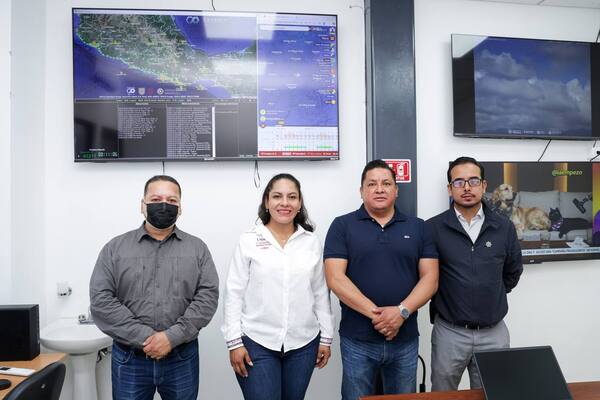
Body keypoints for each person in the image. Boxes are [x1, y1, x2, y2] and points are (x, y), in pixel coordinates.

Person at [90, 175, 219, 400]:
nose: (164, 205)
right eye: (156, 199)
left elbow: (207, 297)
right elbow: (101, 300)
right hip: (130, 358)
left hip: (181, 357)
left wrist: (171, 337)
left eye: (172, 200)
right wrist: (147, 338)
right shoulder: (115, 249)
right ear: (142, 205)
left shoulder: (198, 249)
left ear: (180, 208)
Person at [324, 160, 439, 399]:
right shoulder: (342, 225)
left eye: (386, 183)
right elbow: (335, 278)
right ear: (361, 191)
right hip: (357, 341)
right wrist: (381, 317)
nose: (379, 189)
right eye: (372, 184)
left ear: (396, 190)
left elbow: (430, 278)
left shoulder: (418, 227)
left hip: (405, 340)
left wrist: (401, 313)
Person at [222, 173, 335, 400]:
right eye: (277, 196)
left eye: (292, 197)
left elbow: (320, 292)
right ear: (267, 201)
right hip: (257, 341)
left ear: (300, 203)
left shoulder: (311, 242)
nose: (285, 203)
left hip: (303, 343)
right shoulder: (249, 240)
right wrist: (234, 342)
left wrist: (326, 337)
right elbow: (234, 293)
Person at [426, 156, 523, 391]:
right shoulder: (432, 228)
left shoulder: (504, 227)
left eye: (473, 181)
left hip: (494, 334)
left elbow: (512, 272)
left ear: (484, 185)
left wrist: (488, 292)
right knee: (443, 394)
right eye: (459, 182)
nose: (467, 188)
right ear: (450, 188)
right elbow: (425, 277)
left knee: (494, 393)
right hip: (450, 333)